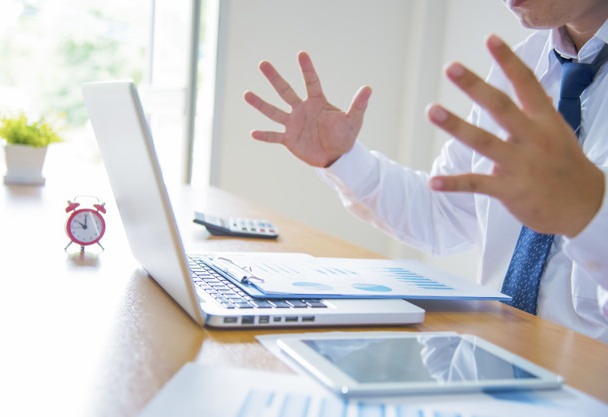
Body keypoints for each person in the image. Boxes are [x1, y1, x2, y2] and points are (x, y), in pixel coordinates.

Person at [243, 1, 608, 343]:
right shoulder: (523, 66)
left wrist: (588, 214)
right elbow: (443, 214)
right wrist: (342, 158)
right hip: (497, 363)